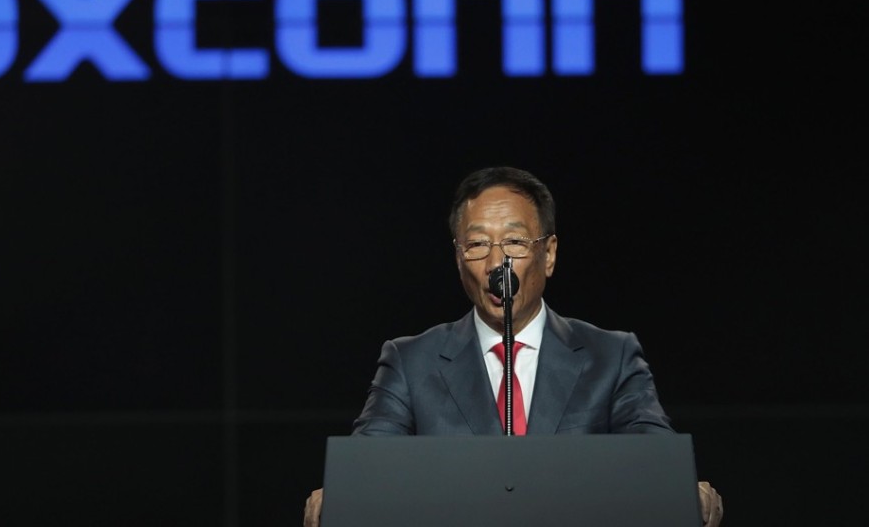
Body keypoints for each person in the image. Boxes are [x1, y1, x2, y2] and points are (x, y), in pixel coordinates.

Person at [303, 166, 724, 527]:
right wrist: (341, 494)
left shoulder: (610, 357)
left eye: (515, 243)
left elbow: (654, 460)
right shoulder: (411, 361)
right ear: (458, 258)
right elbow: (368, 469)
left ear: (550, 254)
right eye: (477, 245)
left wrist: (684, 489)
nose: (495, 265)